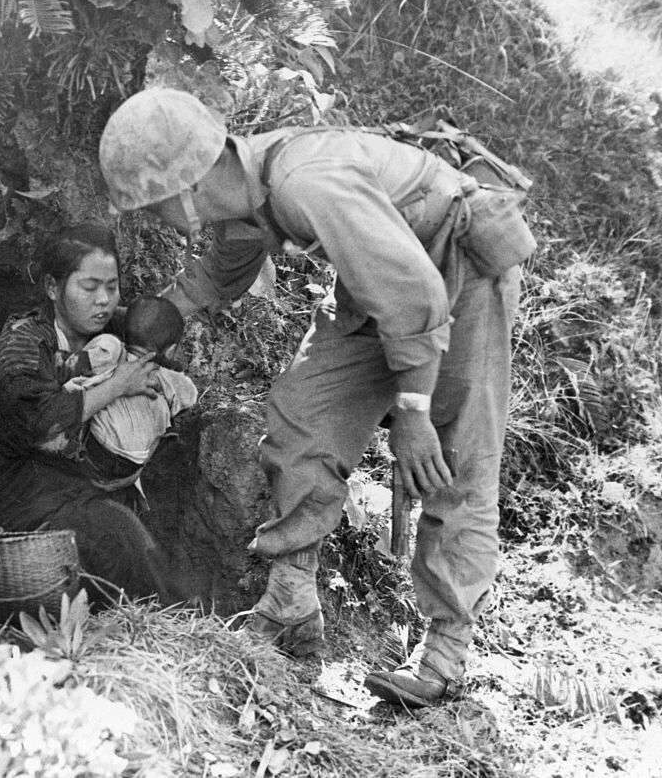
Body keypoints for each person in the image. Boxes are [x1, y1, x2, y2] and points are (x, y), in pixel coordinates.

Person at [98, 87, 534, 708]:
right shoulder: (247, 195)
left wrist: (412, 412)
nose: (155, 220)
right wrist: (167, 309)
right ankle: (292, 599)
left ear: (182, 191)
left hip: (457, 277)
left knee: (454, 461)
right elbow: (224, 267)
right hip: (380, 284)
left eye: (150, 207)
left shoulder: (306, 183)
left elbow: (416, 300)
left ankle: (444, 652)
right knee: (302, 414)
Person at [0, 223, 190, 605]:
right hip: (38, 508)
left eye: (112, 287)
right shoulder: (25, 339)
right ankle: (157, 628)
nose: (104, 301)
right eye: (89, 287)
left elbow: (168, 354)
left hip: (104, 495)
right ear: (53, 287)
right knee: (116, 531)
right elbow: (36, 422)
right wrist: (117, 385)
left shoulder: (122, 327)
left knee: (142, 535)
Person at [66, 296, 198, 482]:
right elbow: (191, 396)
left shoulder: (111, 349)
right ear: (170, 351)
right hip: (130, 465)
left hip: (92, 450)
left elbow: (77, 367)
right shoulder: (167, 378)